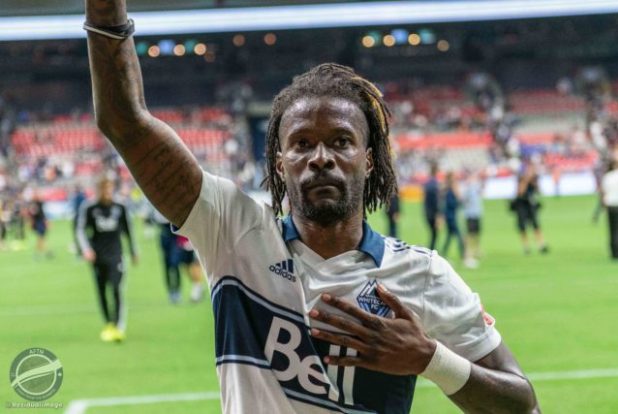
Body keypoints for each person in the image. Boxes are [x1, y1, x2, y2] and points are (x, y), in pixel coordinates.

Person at [85, 2, 539, 412]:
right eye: (302, 144)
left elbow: (524, 406)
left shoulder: (422, 275)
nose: (321, 157)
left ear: (369, 159)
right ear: (279, 163)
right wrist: (105, 9)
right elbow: (124, 120)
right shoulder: (232, 233)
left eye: (341, 141)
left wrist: (430, 360)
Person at [76, 176, 138, 342]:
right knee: (101, 289)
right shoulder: (89, 207)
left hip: (116, 254)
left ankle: (118, 325)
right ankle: (108, 323)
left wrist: (133, 251)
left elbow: (129, 230)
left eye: (109, 188)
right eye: (103, 189)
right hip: (97, 255)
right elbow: (80, 229)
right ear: (98, 190)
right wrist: (86, 249)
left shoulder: (120, 206)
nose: (107, 192)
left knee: (116, 287)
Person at [512, 163, 549, 255]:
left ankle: (541, 245)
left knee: (536, 225)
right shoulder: (521, 178)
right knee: (522, 226)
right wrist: (526, 180)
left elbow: (539, 191)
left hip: (531, 204)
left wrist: (533, 182)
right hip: (521, 204)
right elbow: (520, 192)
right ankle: (526, 246)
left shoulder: (534, 179)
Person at [463, 170, 484, 268]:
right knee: (469, 234)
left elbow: (482, 189)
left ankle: (476, 251)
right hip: (470, 214)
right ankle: (468, 254)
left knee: (476, 233)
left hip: (476, 213)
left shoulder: (476, 187)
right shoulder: (467, 189)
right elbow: (464, 200)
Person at [441, 172, 465, 260]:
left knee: (449, 236)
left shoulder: (447, 192)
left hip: (450, 216)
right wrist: (458, 198)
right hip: (451, 217)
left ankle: (443, 253)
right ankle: (463, 254)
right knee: (459, 236)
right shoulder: (450, 193)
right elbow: (452, 204)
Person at [601, 148, 618, 259]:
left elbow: (603, 192)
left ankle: (614, 251)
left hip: (610, 204)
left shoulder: (608, 176)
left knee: (612, 229)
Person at [423, 162, 442, 250]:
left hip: (427, 211)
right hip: (433, 213)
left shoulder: (427, 183)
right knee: (434, 234)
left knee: (433, 234)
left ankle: (431, 249)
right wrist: (438, 215)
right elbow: (436, 202)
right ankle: (431, 250)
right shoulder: (435, 184)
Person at [29, 193, 52, 259]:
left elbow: (42, 215)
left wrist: (46, 222)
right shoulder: (35, 204)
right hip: (38, 223)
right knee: (41, 238)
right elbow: (33, 214)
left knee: (41, 238)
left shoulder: (39, 204)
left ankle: (42, 252)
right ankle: (43, 252)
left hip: (41, 223)